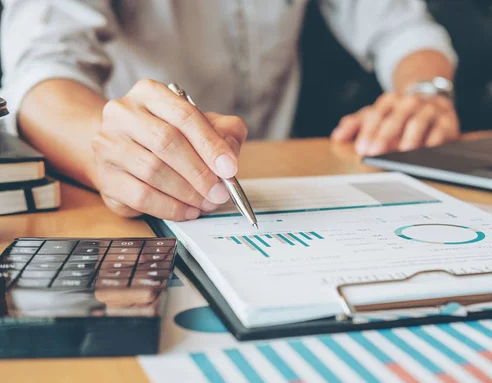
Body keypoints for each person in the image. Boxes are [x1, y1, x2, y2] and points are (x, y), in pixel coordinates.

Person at [0, 0, 459, 221]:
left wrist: (425, 91)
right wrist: (104, 154)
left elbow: (402, 26)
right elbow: (41, 74)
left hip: (285, 181)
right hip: (139, 202)